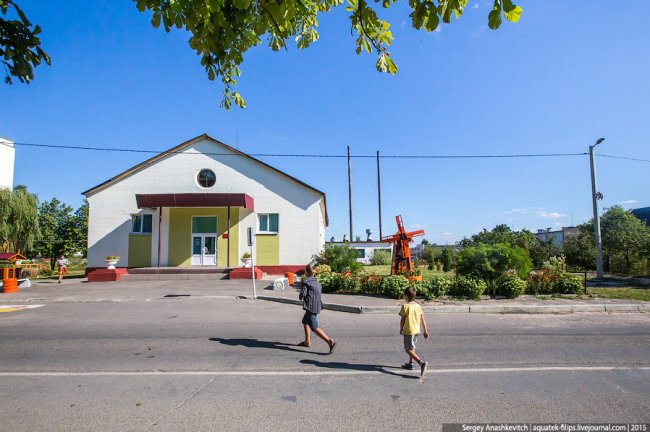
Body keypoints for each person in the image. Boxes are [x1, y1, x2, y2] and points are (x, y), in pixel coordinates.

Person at [298, 264, 336, 354]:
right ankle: (307, 342)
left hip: (310, 307)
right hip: (317, 306)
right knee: (305, 322)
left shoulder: (306, 281)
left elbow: (303, 294)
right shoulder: (317, 282)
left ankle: (329, 341)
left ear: (306, 272)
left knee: (314, 326)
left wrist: (300, 296)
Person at [399, 286, 429, 377]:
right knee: (413, 347)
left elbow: (402, 320)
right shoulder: (418, 306)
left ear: (406, 296)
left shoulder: (405, 306)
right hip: (417, 330)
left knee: (408, 349)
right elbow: (422, 319)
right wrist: (425, 331)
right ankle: (410, 363)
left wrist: (401, 329)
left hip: (409, 330)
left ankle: (421, 363)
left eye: (404, 295)